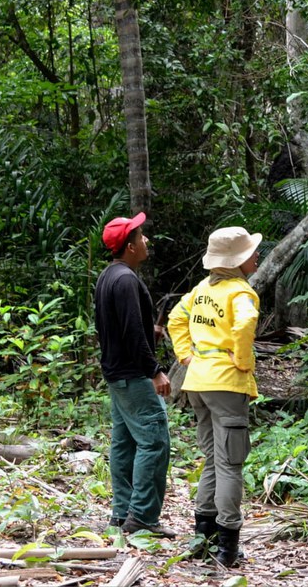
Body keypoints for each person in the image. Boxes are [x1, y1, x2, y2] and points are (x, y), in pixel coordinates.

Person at [167, 226, 261, 567]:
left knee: (212, 458)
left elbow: (176, 318)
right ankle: (227, 547)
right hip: (226, 383)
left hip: (198, 381)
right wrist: (243, 360)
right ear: (238, 260)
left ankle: (203, 536)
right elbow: (245, 324)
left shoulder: (202, 289)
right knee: (231, 463)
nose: (256, 256)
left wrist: (185, 354)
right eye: (251, 252)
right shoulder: (241, 292)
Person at [94, 211, 176, 538]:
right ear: (129, 246)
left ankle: (121, 513)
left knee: (125, 443)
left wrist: (149, 329)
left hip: (116, 373)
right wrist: (154, 371)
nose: (146, 241)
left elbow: (114, 326)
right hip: (132, 374)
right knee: (155, 440)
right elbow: (129, 332)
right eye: (140, 237)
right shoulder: (127, 280)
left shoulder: (108, 276)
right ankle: (142, 516)